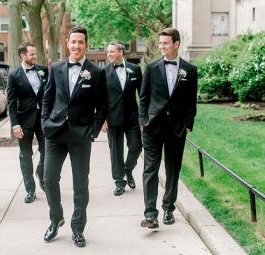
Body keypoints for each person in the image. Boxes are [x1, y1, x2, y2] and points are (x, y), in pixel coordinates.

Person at [42, 26, 107, 247]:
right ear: (67, 43)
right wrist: (45, 121)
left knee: (80, 185)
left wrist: (93, 131)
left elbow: (103, 106)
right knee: (48, 179)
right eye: (73, 42)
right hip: (55, 133)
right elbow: (47, 97)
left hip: (80, 135)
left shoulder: (96, 72)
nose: (76, 46)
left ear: (85, 44)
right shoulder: (57, 67)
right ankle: (56, 218)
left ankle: (77, 229)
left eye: (80, 42)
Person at [139, 28, 198, 228]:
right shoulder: (152, 67)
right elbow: (144, 97)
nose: (161, 47)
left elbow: (191, 101)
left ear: (176, 44)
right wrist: (143, 121)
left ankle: (168, 209)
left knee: (173, 170)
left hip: (177, 128)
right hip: (153, 127)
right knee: (150, 169)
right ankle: (150, 214)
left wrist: (188, 124)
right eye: (160, 43)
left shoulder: (190, 70)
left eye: (165, 43)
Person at [7, 42, 48, 203]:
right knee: (25, 156)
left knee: (48, 151)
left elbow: (50, 93)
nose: (34, 56)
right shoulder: (14, 75)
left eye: (35, 53)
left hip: (44, 119)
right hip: (24, 121)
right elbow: (11, 101)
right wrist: (15, 124)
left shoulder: (43, 70)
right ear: (22, 55)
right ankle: (30, 190)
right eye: (31, 54)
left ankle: (41, 172)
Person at [102, 41, 143, 196]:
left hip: (132, 117)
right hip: (112, 118)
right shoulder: (104, 72)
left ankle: (127, 169)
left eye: (111, 52)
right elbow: (100, 98)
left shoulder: (135, 69)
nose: (109, 55)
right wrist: (102, 119)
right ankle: (119, 182)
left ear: (120, 52)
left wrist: (143, 117)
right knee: (116, 152)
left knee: (137, 146)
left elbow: (143, 94)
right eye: (108, 52)